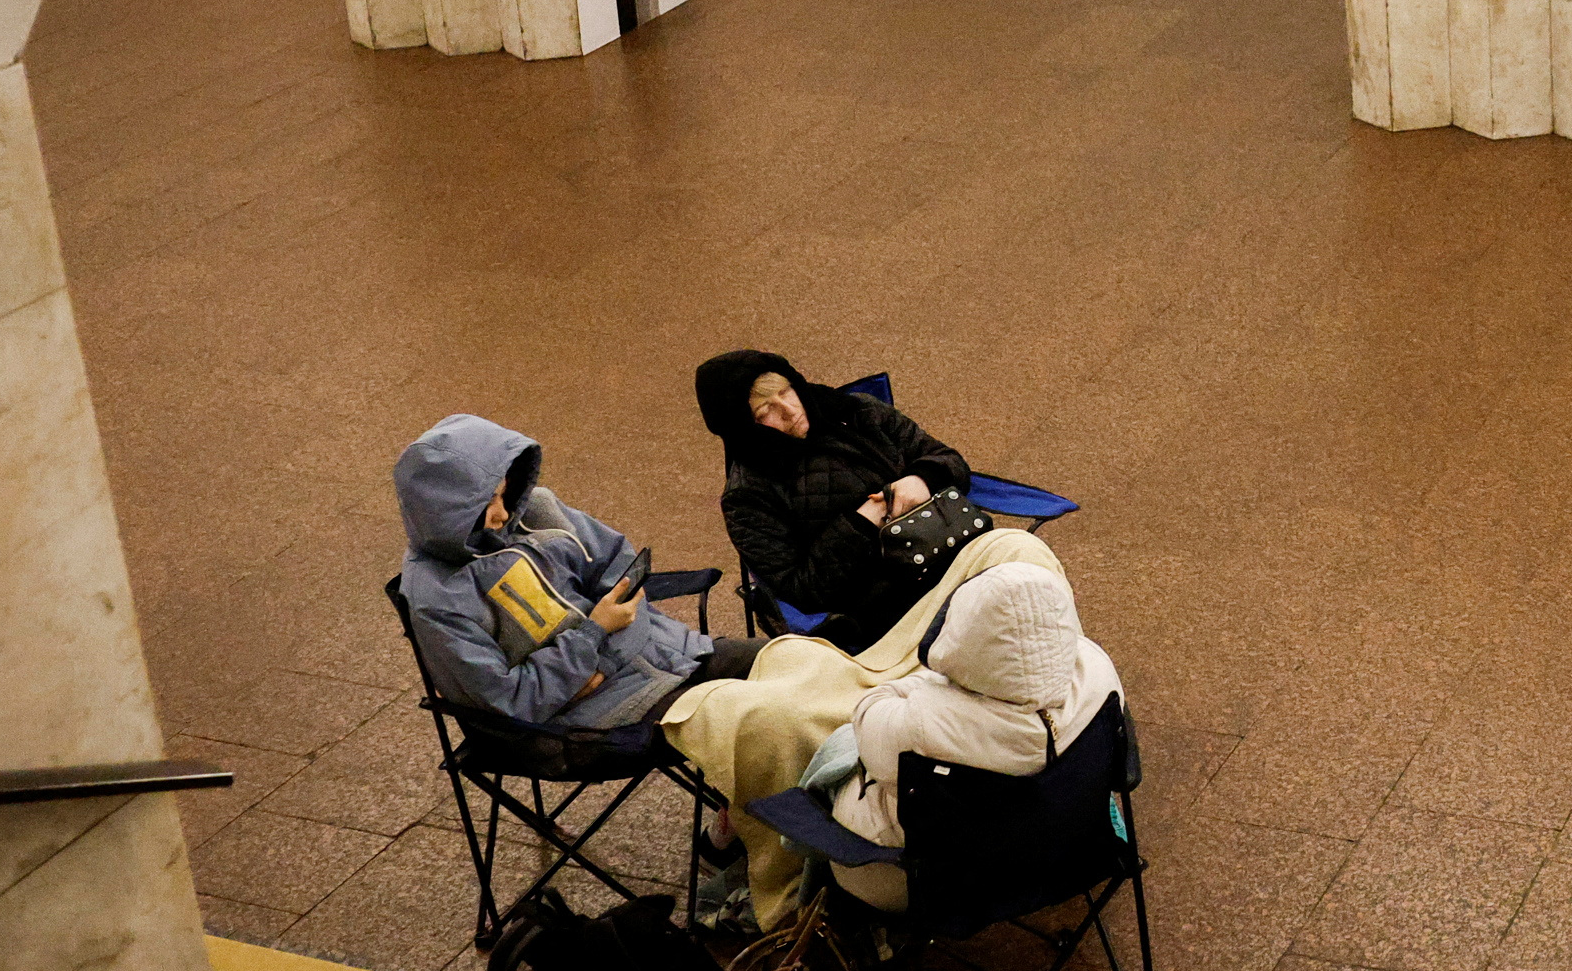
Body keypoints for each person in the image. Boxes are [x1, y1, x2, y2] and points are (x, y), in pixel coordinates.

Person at [393, 413, 758, 729]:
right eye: (487, 504)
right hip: (594, 715)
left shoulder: (536, 510)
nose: (503, 514)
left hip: (664, 653)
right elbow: (512, 700)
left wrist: (602, 653)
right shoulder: (436, 599)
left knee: (801, 660)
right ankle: (749, 807)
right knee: (758, 718)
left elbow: (617, 564)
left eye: (503, 495)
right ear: (446, 513)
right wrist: (595, 632)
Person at [814, 541, 1123, 912]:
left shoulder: (924, 722)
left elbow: (867, 715)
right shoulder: (1097, 668)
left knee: (837, 758)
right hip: (1073, 851)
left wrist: (933, 684)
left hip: (932, 882)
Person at [694, 350, 978, 650]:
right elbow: (803, 590)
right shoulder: (747, 498)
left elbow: (947, 459)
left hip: (955, 549)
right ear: (744, 427)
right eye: (765, 411)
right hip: (887, 605)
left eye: (786, 391)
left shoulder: (855, 411)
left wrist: (920, 479)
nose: (789, 410)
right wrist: (863, 520)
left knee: (1017, 557)